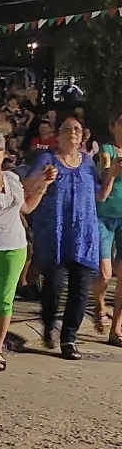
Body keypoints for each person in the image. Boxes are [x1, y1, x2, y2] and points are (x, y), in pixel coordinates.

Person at [25, 116, 107, 360]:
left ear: (83, 137)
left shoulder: (88, 163)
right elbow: (26, 185)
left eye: (77, 130)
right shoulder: (46, 158)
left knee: (80, 290)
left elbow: (100, 196)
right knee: (54, 287)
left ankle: (69, 338)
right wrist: (43, 179)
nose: (73, 133)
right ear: (58, 136)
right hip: (55, 234)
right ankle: (49, 323)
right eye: (67, 129)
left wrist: (111, 173)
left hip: (84, 234)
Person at [0, 131, 52, 370]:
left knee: (4, 301)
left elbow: (25, 208)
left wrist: (42, 186)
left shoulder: (12, 178)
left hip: (14, 246)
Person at [91, 109, 122, 343]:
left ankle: (116, 328)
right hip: (104, 215)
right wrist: (112, 171)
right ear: (113, 127)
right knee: (105, 272)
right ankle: (99, 303)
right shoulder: (107, 150)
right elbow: (100, 175)